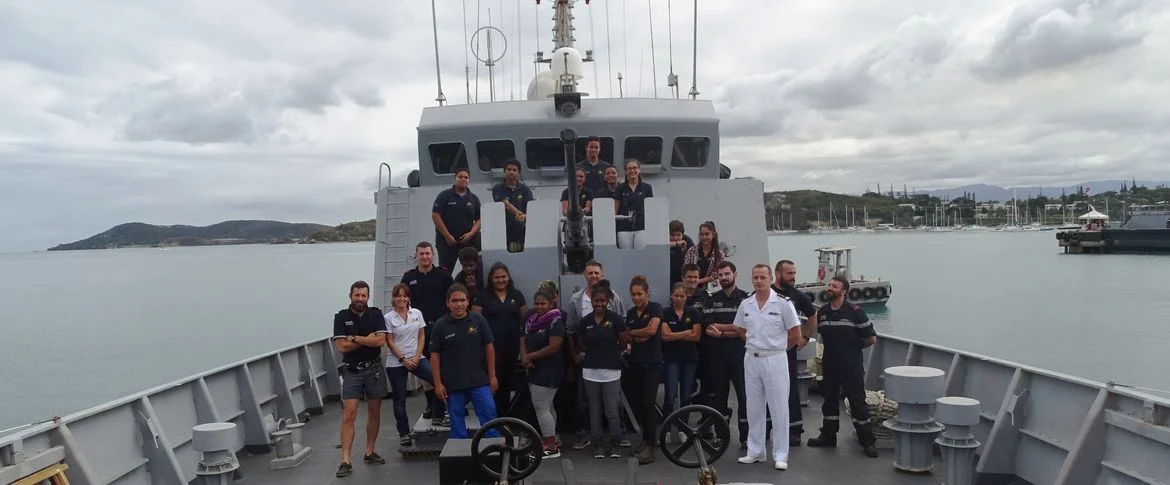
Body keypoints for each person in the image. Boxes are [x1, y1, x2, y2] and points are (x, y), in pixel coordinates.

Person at [733, 265, 802, 471]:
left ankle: (781, 454)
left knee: (779, 407)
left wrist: (778, 350)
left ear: (771, 278)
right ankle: (755, 451)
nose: (759, 281)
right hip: (752, 359)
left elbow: (796, 334)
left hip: (775, 359)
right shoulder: (746, 304)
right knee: (753, 406)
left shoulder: (782, 304)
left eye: (763, 277)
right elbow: (740, 330)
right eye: (755, 277)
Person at [807, 276, 879, 458]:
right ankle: (828, 436)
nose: (830, 288)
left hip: (851, 366)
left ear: (844, 291)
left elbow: (871, 339)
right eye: (829, 285)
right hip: (830, 365)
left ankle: (867, 442)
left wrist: (852, 350)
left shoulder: (856, 313)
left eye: (834, 286)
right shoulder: (822, 312)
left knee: (857, 403)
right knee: (829, 400)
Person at [565, 260, 631, 450]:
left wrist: (618, 351)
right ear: (585, 276)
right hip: (587, 361)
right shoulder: (576, 300)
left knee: (615, 402)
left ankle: (620, 434)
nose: (594, 276)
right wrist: (576, 355)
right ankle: (585, 435)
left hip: (610, 361)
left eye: (597, 273)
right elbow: (572, 330)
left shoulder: (614, 298)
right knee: (583, 400)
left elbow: (622, 326)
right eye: (590, 273)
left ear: (601, 275)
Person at [332, 281, 389, 478]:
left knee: (374, 412)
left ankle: (369, 452)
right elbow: (341, 347)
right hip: (352, 371)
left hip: (373, 369)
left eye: (364, 296)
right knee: (349, 414)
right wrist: (366, 338)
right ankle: (345, 460)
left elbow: (380, 341)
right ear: (350, 296)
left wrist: (354, 338)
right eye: (357, 295)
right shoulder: (341, 317)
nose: (360, 299)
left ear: (368, 296)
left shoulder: (375, 314)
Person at [430, 284, 500, 439]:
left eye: (462, 300)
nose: (459, 304)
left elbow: (489, 347)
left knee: (489, 415)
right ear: (447, 303)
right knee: (456, 423)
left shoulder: (478, 320)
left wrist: (492, 375)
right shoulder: (440, 325)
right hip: (453, 384)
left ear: (468, 301)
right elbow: (434, 356)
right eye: (454, 301)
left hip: (479, 380)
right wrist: (438, 383)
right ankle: (459, 456)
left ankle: (494, 452)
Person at [576, 281, 630, 459]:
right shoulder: (585, 321)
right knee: (594, 410)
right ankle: (597, 443)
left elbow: (623, 342)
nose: (598, 304)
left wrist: (610, 353)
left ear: (607, 301)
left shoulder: (615, 319)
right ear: (591, 300)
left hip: (611, 371)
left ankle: (615, 443)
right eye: (595, 301)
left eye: (602, 301)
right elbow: (581, 343)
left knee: (612, 411)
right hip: (590, 372)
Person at [401, 242, 452, 426]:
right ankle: (432, 404)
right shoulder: (409, 278)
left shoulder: (443, 275)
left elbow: (452, 298)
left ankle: (451, 404)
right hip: (420, 331)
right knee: (428, 371)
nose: (424, 257)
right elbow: (403, 302)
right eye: (421, 254)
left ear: (433, 255)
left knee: (445, 367)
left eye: (427, 253)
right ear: (416, 256)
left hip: (442, 327)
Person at [699, 261, 750, 448]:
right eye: (720, 275)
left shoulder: (745, 299)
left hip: (739, 355)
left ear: (734, 274)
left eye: (727, 274)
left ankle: (746, 438)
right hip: (718, 356)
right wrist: (733, 329)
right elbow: (709, 325)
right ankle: (722, 435)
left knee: (744, 397)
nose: (723, 278)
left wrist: (723, 332)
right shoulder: (711, 299)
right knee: (719, 398)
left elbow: (745, 328)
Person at [384, 283, 438, 447]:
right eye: (398, 296)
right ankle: (404, 433)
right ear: (394, 298)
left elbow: (421, 336)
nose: (401, 299)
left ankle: (439, 413)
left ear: (408, 297)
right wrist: (403, 359)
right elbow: (389, 341)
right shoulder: (388, 318)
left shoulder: (417, 313)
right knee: (399, 400)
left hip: (417, 357)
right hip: (396, 362)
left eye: (404, 296)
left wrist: (416, 356)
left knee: (437, 380)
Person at [772, 259, 818, 445]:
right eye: (789, 273)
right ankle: (768, 426)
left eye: (794, 273)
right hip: (767, 351)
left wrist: (805, 337)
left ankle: (795, 429)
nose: (793, 277)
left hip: (787, 351)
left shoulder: (797, 296)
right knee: (767, 388)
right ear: (777, 274)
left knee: (790, 388)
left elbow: (812, 315)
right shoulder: (766, 294)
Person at [472, 263, 527, 417]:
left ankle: (505, 417)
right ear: (491, 278)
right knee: (493, 382)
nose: (500, 280)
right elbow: (475, 322)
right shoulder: (482, 296)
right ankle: (491, 417)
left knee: (508, 383)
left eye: (503, 277)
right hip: (491, 348)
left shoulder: (517, 295)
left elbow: (524, 321)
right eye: (497, 277)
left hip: (512, 346)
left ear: (508, 277)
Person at [622, 275, 664, 464]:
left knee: (648, 404)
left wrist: (636, 333)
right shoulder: (631, 313)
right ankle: (644, 441)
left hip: (652, 364)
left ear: (647, 293)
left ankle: (651, 446)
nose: (636, 298)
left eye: (640, 294)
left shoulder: (655, 308)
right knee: (637, 403)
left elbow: (652, 330)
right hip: (635, 364)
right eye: (633, 294)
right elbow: (627, 336)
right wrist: (637, 335)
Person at [520, 288, 566, 458]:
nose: (539, 307)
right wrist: (525, 357)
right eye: (537, 303)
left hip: (549, 371)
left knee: (541, 408)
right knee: (548, 406)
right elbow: (524, 339)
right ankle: (554, 439)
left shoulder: (556, 322)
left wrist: (529, 356)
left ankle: (551, 447)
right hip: (534, 369)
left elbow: (553, 347)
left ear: (552, 304)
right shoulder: (532, 320)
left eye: (543, 303)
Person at [659, 282, 701, 444]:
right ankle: (667, 430)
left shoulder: (693, 313)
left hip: (689, 359)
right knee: (670, 396)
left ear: (686, 296)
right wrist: (686, 332)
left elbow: (696, 336)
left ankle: (684, 429)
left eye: (682, 296)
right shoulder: (665, 313)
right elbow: (665, 336)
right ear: (671, 296)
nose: (678, 298)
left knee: (685, 396)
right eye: (676, 295)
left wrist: (674, 334)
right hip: (671, 360)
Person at [432, 167, 482, 275]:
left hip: (467, 241)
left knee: (473, 270)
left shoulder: (474, 198)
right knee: (445, 272)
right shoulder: (444, 196)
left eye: (466, 177)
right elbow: (436, 215)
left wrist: (471, 234)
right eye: (460, 177)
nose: (463, 179)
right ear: (455, 178)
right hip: (447, 242)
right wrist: (447, 236)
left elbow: (479, 219)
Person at [491, 159, 534, 252]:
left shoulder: (525, 189)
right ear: (504, 171)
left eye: (514, 170)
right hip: (505, 230)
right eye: (509, 169)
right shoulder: (497, 188)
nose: (511, 172)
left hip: (522, 230)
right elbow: (505, 204)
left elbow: (531, 208)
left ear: (518, 173)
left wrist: (525, 216)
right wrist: (519, 214)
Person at [613, 159, 654, 250]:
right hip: (624, 227)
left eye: (635, 168)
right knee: (626, 254)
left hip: (641, 226)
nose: (632, 170)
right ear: (626, 171)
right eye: (629, 168)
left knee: (640, 254)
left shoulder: (647, 188)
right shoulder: (620, 188)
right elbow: (615, 209)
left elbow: (650, 208)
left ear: (639, 170)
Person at [683, 221, 726, 289]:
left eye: (707, 234)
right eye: (701, 234)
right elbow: (685, 270)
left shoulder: (720, 254)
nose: (704, 237)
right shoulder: (692, 251)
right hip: (692, 288)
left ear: (713, 235)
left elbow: (717, 275)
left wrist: (698, 281)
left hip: (712, 290)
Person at [668, 220, 695, 285]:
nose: (675, 238)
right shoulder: (663, 240)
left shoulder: (687, 240)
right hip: (668, 279)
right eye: (672, 235)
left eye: (678, 235)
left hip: (683, 281)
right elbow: (662, 247)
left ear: (682, 234)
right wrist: (677, 243)